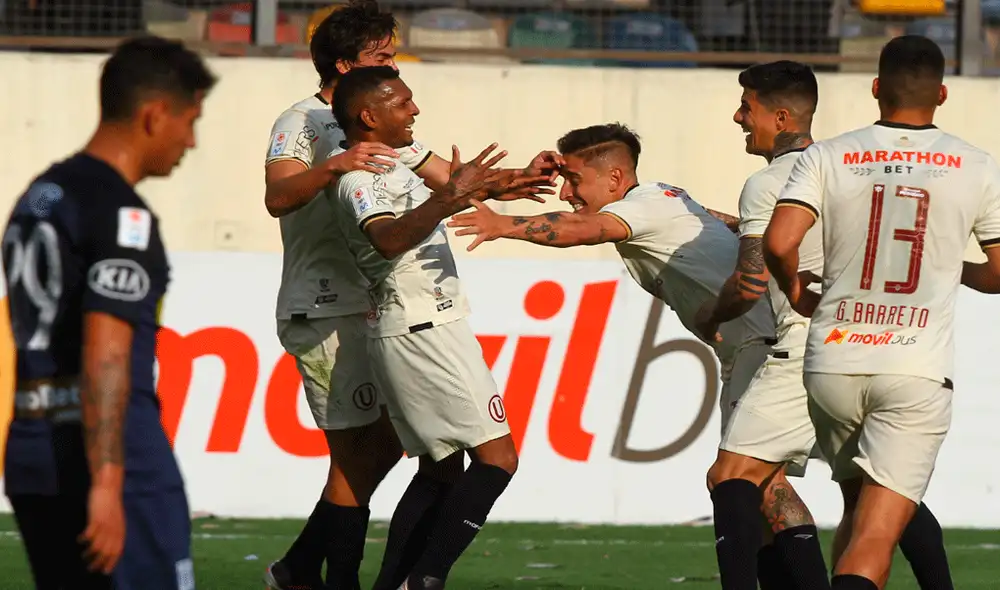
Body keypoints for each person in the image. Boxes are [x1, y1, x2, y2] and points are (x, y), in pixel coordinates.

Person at [262, 2, 560, 588]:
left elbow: (444, 182)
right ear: (346, 67)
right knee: (359, 460)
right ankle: (324, 576)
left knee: (407, 452)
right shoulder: (301, 122)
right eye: (381, 56)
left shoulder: (386, 125)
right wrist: (335, 166)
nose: (394, 65)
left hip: (374, 301)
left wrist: (515, 178)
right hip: (325, 304)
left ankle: (309, 568)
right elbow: (277, 197)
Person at [446, 124, 779, 526]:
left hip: (766, 349)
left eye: (574, 180)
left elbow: (584, 230)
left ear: (616, 179)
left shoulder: (642, 208)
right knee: (766, 488)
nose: (566, 193)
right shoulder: (665, 197)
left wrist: (504, 225)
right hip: (757, 347)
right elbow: (732, 225)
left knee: (733, 481)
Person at [762, 35, 1000, 590]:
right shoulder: (977, 166)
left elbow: (778, 243)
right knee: (876, 535)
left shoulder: (827, 154)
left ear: (875, 88)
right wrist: (951, 268)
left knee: (855, 511)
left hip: (833, 362)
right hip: (914, 368)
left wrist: (796, 290)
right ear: (942, 94)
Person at [2, 36, 215, 590]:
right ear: (154, 114)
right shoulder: (122, 216)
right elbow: (107, 351)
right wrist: (109, 481)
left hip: (32, 449)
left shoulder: (39, 197)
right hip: (114, 461)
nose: (191, 142)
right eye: (190, 121)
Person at [328, 66, 550, 590]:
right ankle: (426, 578)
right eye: (404, 104)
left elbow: (457, 186)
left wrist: (522, 175)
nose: (415, 111)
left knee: (442, 468)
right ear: (370, 116)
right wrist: (450, 197)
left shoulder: (398, 156)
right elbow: (388, 238)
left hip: (423, 323)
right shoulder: (359, 182)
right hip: (419, 328)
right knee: (498, 459)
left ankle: (395, 585)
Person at [694, 60, 831, 590]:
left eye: (746, 107)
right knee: (871, 493)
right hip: (873, 345)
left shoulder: (771, 180)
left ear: (779, 116)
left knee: (730, 477)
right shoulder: (842, 168)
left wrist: (709, 317)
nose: (737, 117)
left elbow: (750, 282)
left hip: (803, 346)